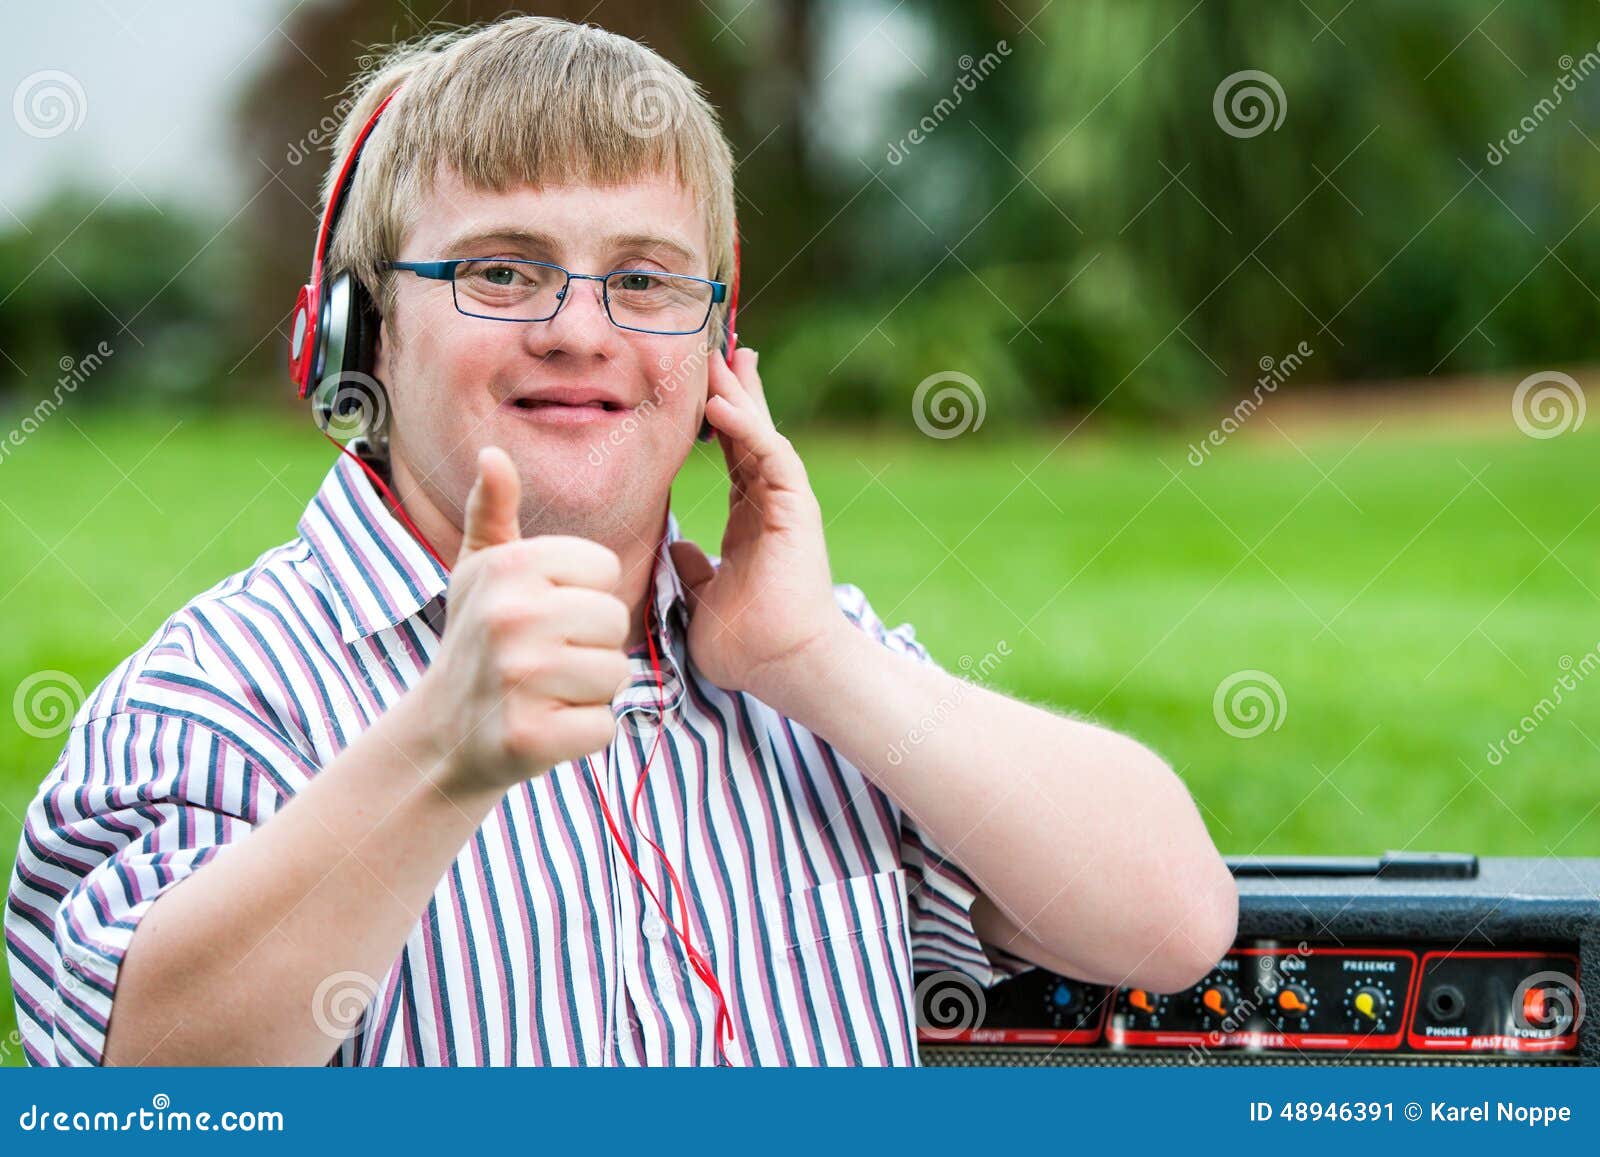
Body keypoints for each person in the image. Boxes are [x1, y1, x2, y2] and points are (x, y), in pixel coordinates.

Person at [4, 15, 1236, 1067]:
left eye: (645, 282)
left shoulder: (809, 672)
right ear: (356, 336)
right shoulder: (216, 695)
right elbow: (141, 1075)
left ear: (718, 350)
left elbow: (1170, 923)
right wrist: (438, 756)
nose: (580, 330)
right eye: (501, 269)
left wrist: (814, 661)